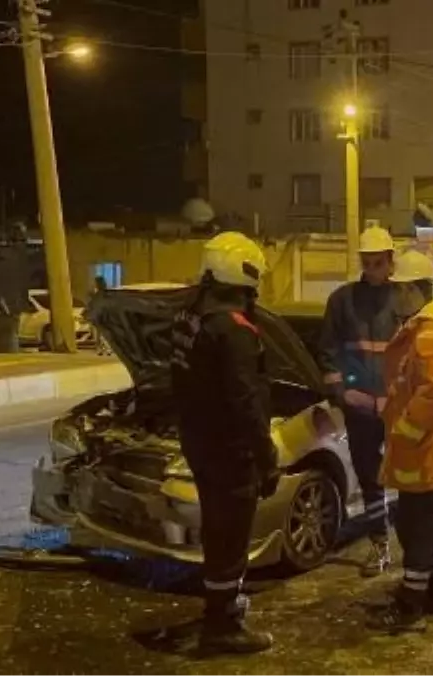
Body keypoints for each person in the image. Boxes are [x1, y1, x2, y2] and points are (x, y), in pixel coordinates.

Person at [169, 232, 280, 654]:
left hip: (198, 441)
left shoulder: (188, 317)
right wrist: (266, 457)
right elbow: (246, 401)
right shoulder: (232, 330)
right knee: (231, 536)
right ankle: (223, 625)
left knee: (218, 531)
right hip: (230, 449)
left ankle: (219, 607)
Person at [370, 250, 433, 633]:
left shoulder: (427, 332)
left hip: (422, 449)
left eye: (398, 289)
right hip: (430, 449)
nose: (393, 296)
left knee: (416, 525)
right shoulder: (428, 328)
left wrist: (405, 430)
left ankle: (412, 605)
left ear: (414, 290)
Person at [318, 225, 403, 578]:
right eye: (366, 264)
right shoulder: (342, 300)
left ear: (391, 262)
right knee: (370, 479)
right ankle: (380, 545)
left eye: (378, 263)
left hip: (397, 408)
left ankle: (417, 550)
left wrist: (397, 397)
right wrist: (342, 392)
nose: (371, 271)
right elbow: (326, 350)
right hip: (361, 408)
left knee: (410, 477)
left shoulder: (406, 299)